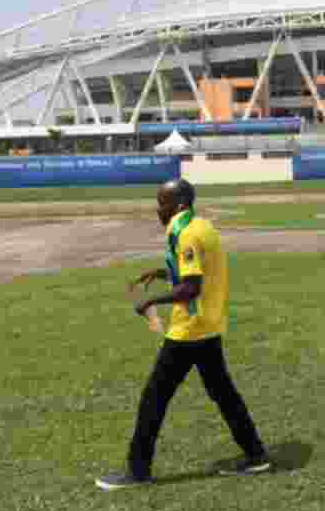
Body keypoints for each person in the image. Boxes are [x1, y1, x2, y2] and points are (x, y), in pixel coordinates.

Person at [96, 179, 270, 490]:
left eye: (161, 202)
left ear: (177, 206)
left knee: (154, 399)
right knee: (223, 394)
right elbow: (196, 270)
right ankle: (256, 455)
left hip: (189, 331)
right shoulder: (202, 226)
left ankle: (137, 472)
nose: (157, 209)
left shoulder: (186, 233)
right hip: (209, 326)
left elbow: (192, 287)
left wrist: (152, 301)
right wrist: (163, 273)